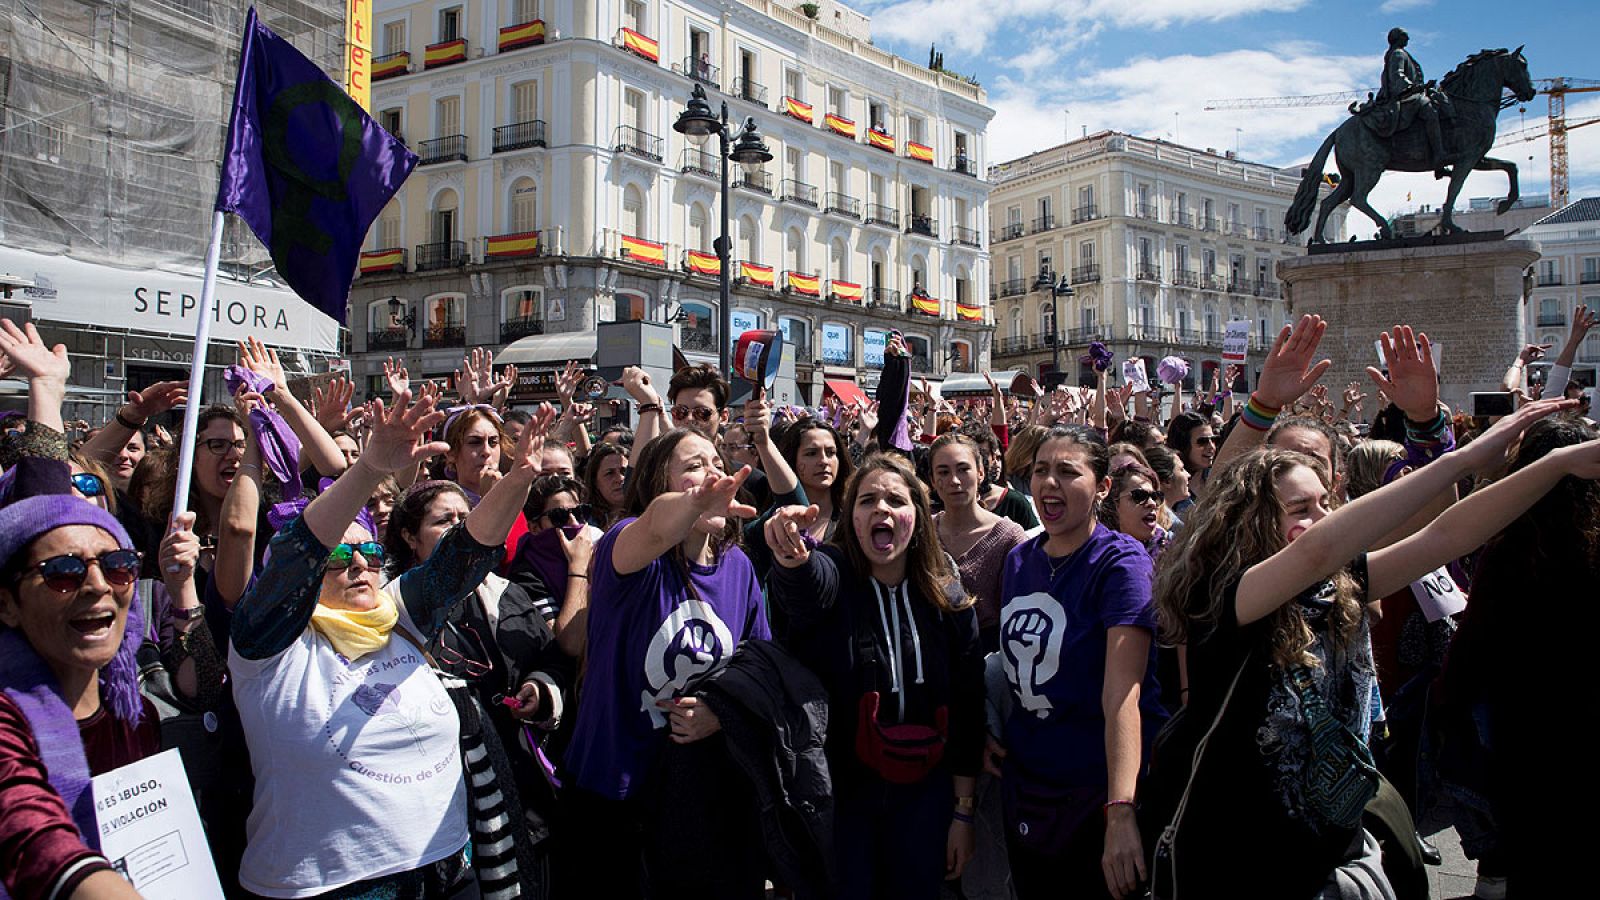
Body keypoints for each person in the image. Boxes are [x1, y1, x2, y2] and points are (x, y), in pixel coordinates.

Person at [1147, 331, 1600, 898]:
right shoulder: (1225, 594)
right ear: (1252, 520)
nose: (1318, 519)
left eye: (1323, 504)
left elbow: (1446, 534)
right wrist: (1460, 455)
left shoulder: (1336, 585)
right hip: (1239, 855)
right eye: (1297, 509)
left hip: (1332, 845)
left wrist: (1554, 466)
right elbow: (1318, 548)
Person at [227, 388, 544, 898]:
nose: (359, 564)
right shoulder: (267, 645)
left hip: (448, 874)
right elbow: (299, 551)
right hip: (328, 886)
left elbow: (465, 553)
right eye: (338, 555)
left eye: (371, 551)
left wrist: (519, 478)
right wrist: (370, 467)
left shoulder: (398, 615)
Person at [765, 452, 985, 900]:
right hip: (844, 801)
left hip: (926, 800)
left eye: (895, 500)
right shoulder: (833, 575)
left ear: (918, 517)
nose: (881, 509)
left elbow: (968, 706)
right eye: (867, 501)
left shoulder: (949, 597)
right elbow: (806, 584)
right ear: (852, 517)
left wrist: (962, 814)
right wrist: (791, 556)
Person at [559, 427, 768, 896]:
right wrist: (695, 503)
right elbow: (655, 525)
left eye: (717, 463)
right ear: (659, 483)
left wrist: (720, 712)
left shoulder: (739, 567)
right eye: (693, 467)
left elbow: (756, 664)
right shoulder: (626, 549)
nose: (713, 475)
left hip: (701, 793)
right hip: (616, 790)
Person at [988, 425, 1166, 899]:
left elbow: (1122, 694)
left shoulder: (1121, 563)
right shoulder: (1020, 559)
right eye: (1041, 470)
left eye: (1068, 471)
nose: (1050, 483)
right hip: (1028, 788)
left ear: (1102, 487)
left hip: (1097, 792)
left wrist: (1121, 809)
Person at [384, 477, 574, 897]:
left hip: (521, 794)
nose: (459, 531)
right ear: (408, 536)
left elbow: (553, 659)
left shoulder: (509, 594)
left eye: (465, 519)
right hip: (444, 802)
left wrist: (541, 689)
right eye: (443, 522)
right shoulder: (392, 608)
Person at [0, 496, 154, 900]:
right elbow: (32, 835)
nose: (99, 585)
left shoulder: (137, 717)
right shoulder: (5, 721)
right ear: (6, 604)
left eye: (117, 566)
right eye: (63, 572)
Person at [928, 432, 1027, 653]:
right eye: (943, 472)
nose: (954, 480)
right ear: (933, 481)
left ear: (980, 473)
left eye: (963, 469)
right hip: (931, 657)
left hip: (990, 657)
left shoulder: (1009, 537)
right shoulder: (922, 532)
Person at [1098, 462, 1169, 557]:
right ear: (1114, 504)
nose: (1152, 503)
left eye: (1155, 496)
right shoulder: (1097, 554)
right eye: (1139, 496)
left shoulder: (1170, 552)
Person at [440, 405, 507, 505]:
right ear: (451, 453)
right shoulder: (443, 504)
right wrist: (490, 500)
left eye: (493, 442)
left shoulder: (512, 498)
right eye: (475, 442)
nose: (486, 451)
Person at [582, 441, 629, 530]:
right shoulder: (584, 522)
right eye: (610, 473)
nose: (620, 478)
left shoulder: (647, 513)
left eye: (624, 471)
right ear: (595, 482)